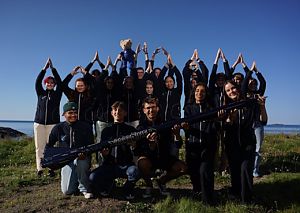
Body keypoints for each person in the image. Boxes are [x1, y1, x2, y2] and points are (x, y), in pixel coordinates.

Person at [222, 80, 267, 203]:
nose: (231, 91)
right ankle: (236, 195)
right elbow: (225, 127)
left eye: (233, 88)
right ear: (225, 93)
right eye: (228, 90)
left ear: (238, 88)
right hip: (232, 144)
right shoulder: (225, 107)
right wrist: (230, 119)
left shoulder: (250, 104)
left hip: (248, 144)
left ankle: (247, 199)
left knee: (246, 170)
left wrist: (262, 106)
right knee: (235, 171)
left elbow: (263, 121)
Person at [135, 97, 187, 198]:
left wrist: (176, 134)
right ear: (144, 110)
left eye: (153, 107)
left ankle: (161, 182)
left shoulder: (166, 124)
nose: (151, 110)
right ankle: (149, 185)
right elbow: (138, 151)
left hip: (165, 157)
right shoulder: (140, 128)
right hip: (150, 159)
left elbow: (178, 145)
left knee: (183, 168)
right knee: (142, 162)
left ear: (158, 108)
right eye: (148, 108)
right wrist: (151, 144)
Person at [89, 101, 139, 200]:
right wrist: (104, 154)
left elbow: (137, 151)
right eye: (115, 110)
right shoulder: (106, 131)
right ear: (112, 113)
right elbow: (103, 151)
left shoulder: (131, 130)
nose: (117, 112)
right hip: (109, 166)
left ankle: (127, 190)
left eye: (120, 110)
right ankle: (108, 185)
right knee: (92, 177)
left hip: (126, 165)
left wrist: (134, 146)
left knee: (135, 172)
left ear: (125, 113)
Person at [46, 102, 94, 199]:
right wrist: (51, 161)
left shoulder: (86, 127)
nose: (73, 115)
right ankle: (77, 179)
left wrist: (86, 154)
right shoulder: (58, 128)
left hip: (82, 158)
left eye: (75, 112)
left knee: (81, 163)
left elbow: (91, 146)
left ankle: (85, 189)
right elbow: (49, 146)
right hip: (66, 161)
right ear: (64, 114)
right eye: (70, 113)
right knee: (67, 191)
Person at [182, 82, 218, 204]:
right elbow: (187, 127)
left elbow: (215, 126)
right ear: (194, 92)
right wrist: (185, 128)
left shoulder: (211, 108)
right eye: (197, 91)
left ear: (206, 93)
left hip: (208, 145)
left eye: (202, 91)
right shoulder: (188, 108)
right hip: (192, 145)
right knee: (194, 171)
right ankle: (197, 191)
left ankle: (208, 201)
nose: (199, 93)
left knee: (205, 171)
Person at [34, 58, 62, 177]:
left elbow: (60, 82)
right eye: (48, 82)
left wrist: (53, 69)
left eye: (52, 82)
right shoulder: (41, 93)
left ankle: (52, 168)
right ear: (45, 84)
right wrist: (44, 69)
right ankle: (40, 168)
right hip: (39, 124)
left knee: (51, 147)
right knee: (39, 147)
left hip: (53, 124)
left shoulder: (57, 94)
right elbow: (37, 81)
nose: (50, 84)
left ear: (54, 85)